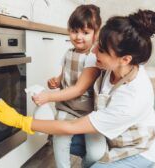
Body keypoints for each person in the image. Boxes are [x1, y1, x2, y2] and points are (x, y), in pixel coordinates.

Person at [0, 9, 155, 168]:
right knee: (55, 135)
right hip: (112, 135)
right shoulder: (111, 64)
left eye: (102, 49)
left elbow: (72, 126)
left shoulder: (133, 97)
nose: (94, 50)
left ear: (125, 59)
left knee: (67, 134)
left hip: (136, 148)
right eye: (98, 43)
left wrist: (21, 121)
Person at [31, 4, 104, 168]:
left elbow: (79, 88)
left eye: (85, 33)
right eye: (74, 31)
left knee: (95, 153)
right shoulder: (68, 53)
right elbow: (66, 75)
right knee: (60, 139)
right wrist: (57, 80)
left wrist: (48, 97)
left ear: (95, 33)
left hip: (89, 111)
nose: (78, 37)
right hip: (67, 107)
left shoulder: (93, 57)